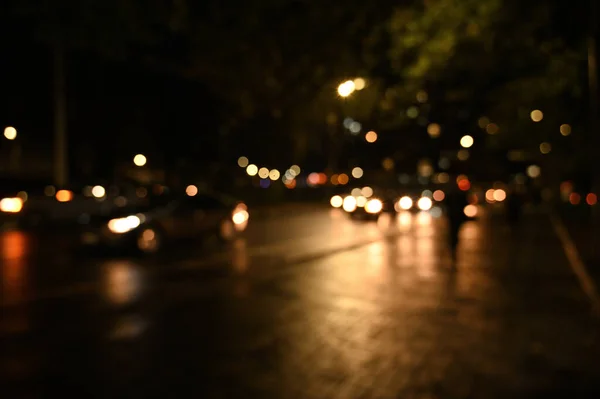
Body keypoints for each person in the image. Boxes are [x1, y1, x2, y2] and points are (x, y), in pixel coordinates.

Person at [444, 188, 469, 266]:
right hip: (454, 216)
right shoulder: (455, 196)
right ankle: (453, 244)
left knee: (454, 231)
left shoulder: (457, 196)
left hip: (456, 216)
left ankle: (453, 244)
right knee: (454, 231)